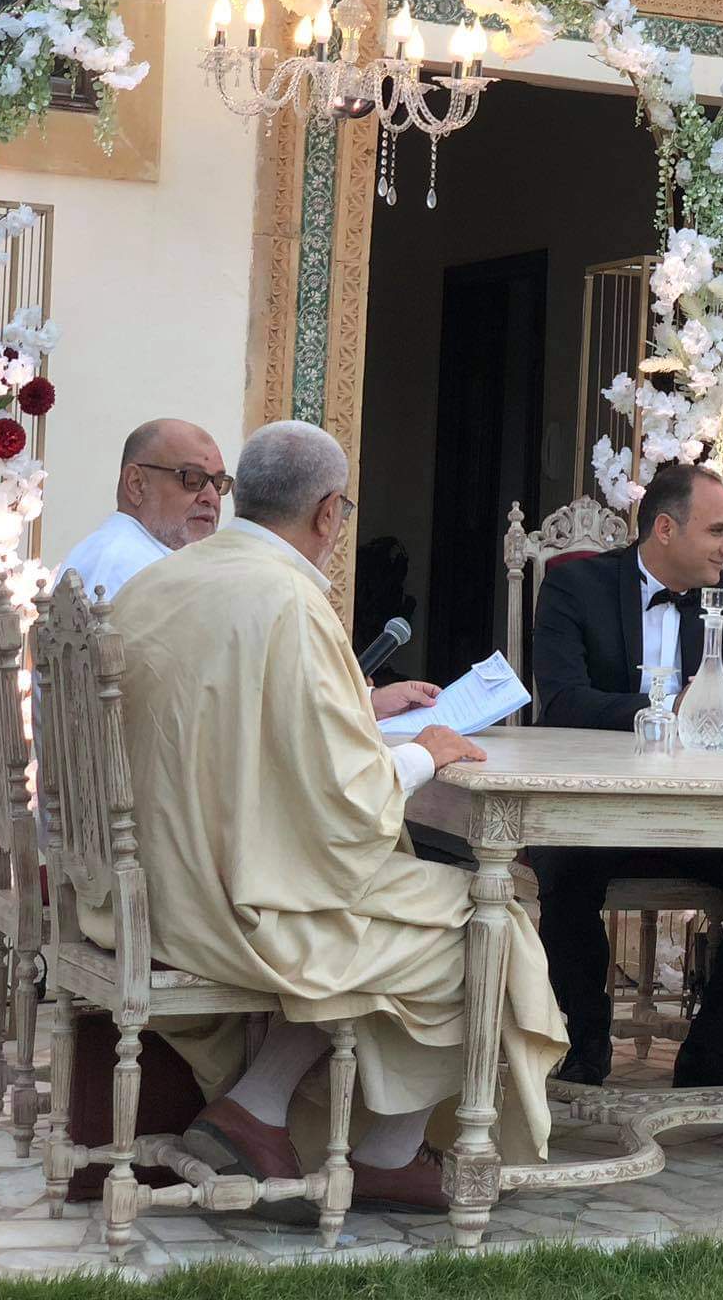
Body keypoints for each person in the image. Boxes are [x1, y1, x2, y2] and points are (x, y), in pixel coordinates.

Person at [86, 421, 567, 1215]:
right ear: (326, 512)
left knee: (430, 908)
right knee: (493, 917)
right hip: (226, 900)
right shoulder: (290, 600)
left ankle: (261, 1108)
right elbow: (344, 802)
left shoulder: (163, 579)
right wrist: (426, 753)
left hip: (140, 884)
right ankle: (379, 1152)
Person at [528, 463, 723, 1088]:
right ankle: (584, 1044)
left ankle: (714, 1051)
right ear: (664, 529)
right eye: (719, 531)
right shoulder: (575, 585)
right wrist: (666, 711)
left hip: (694, 815)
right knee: (564, 873)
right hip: (595, 808)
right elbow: (564, 701)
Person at [61, 418, 228, 600]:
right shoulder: (123, 564)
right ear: (136, 484)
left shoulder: (159, 562)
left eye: (218, 483)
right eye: (192, 479)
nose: (212, 498)